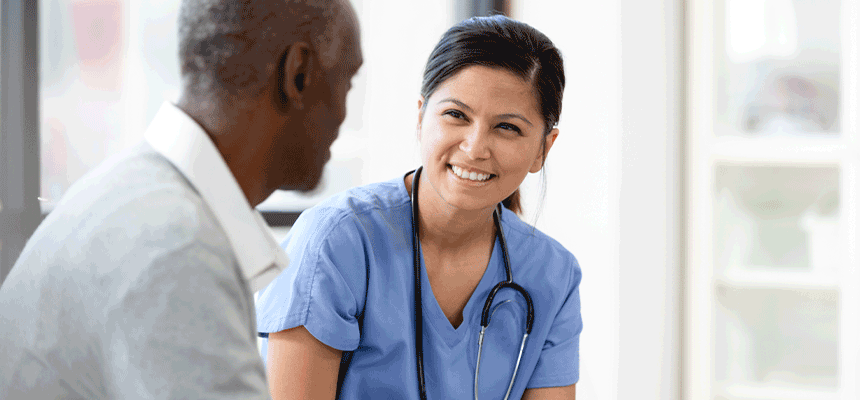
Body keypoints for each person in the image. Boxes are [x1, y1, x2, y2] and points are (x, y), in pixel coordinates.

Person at [0, 0, 363, 398]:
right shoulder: (176, 245)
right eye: (347, 81)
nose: (345, 113)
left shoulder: (134, 192)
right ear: (298, 75)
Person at [256, 15, 581, 400]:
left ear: (543, 148)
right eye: (456, 115)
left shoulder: (553, 274)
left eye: (507, 127)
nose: (475, 148)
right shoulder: (336, 241)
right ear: (421, 116)